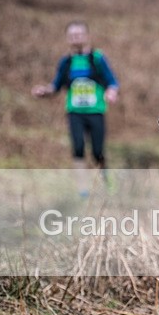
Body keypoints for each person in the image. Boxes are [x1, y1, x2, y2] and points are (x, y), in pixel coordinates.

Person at [32, 21, 119, 197]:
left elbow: (112, 81)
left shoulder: (97, 58)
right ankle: (82, 190)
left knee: (97, 152)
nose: (75, 38)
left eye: (78, 34)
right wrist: (44, 91)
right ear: (67, 38)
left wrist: (111, 92)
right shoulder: (66, 62)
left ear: (87, 36)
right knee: (78, 148)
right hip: (75, 113)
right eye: (71, 35)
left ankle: (107, 183)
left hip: (96, 112)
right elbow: (56, 86)